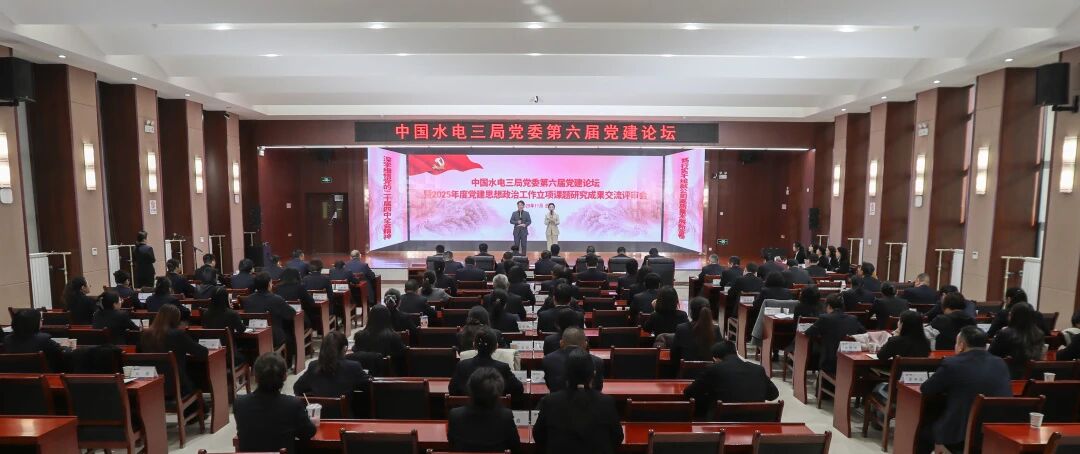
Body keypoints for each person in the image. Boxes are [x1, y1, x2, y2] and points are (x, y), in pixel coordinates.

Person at [920, 326, 1011, 453]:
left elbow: (926, 389)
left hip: (960, 433)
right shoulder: (1000, 363)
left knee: (923, 429)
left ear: (961, 346)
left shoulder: (952, 364)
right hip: (994, 432)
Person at [533, 349, 623, 454]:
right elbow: (617, 437)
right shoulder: (607, 402)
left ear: (565, 375)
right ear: (593, 374)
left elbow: (538, 436)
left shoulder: (549, 402)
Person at [234, 353, 316, 453]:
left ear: (255, 377)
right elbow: (308, 433)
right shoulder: (292, 404)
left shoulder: (240, 404)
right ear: (285, 376)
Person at [683, 340, 779, 418]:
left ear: (716, 359)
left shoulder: (714, 369)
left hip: (723, 423)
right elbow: (773, 394)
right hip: (756, 422)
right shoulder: (758, 369)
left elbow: (689, 392)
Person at [138, 304, 208, 396]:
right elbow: (203, 352)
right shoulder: (177, 334)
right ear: (176, 319)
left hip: (152, 385)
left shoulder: (145, 334)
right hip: (177, 386)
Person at [448, 367, 521, 453]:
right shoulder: (506, 416)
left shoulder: (455, 415)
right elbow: (515, 447)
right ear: (499, 391)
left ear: (469, 388)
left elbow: (452, 444)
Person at [449, 327, 524, 400]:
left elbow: (452, 390)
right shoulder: (503, 367)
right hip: (495, 407)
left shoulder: (462, 365)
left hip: (468, 407)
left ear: (474, 345)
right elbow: (518, 389)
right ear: (496, 346)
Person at [294, 331, 370, 402]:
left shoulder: (313, 365)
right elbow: (369, 386)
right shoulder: (353, 366)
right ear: (344, 349)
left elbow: (297, 388)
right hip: (344, 411)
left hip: (319, 411)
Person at [804, 294, 866, 374]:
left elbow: (808, 333)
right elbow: (864, 332)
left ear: (829, 306)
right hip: (850, 361)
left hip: (830, 364)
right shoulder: (853, 319)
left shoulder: (825, 318)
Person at [989, 301, 1045, 378]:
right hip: (1034, 376)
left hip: (1006, 376)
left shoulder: (1005, 333)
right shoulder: (1039, 334)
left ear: (1014, 316)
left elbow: (991, 355)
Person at [242, 272, 297, 350]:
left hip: (253, 338)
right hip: (273, 338)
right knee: (289, 333)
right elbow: (291, 314)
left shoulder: (247, 299)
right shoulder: (276, 299)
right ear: (269, 284)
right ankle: (289, 356)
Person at [352, 304, 408, 375]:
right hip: (389, 376)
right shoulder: (394, 337)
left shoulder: (359, 336)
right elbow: (403, 354)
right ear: (388, 318)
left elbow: (356, 354)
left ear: (370, 318)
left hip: (365, 375)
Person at [542, 327, 604, 392]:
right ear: (585, 344)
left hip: (555, 397)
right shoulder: (598, 362)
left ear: (561, 343)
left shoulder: (548, 360)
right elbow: (598, 388)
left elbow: (549, 385)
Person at [201, 287, 246, 365]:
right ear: (226, 298)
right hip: (229, 356)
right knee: (248, 355)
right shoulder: (232, 314)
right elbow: (241, 329)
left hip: (211, 354)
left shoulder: (205, 314)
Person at [672, 297, 720, 364]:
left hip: (686, 369)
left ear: (691, 312)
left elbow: (674, 355)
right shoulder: (715, 329)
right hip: (710, 369)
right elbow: (721, 354)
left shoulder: (681, 328)